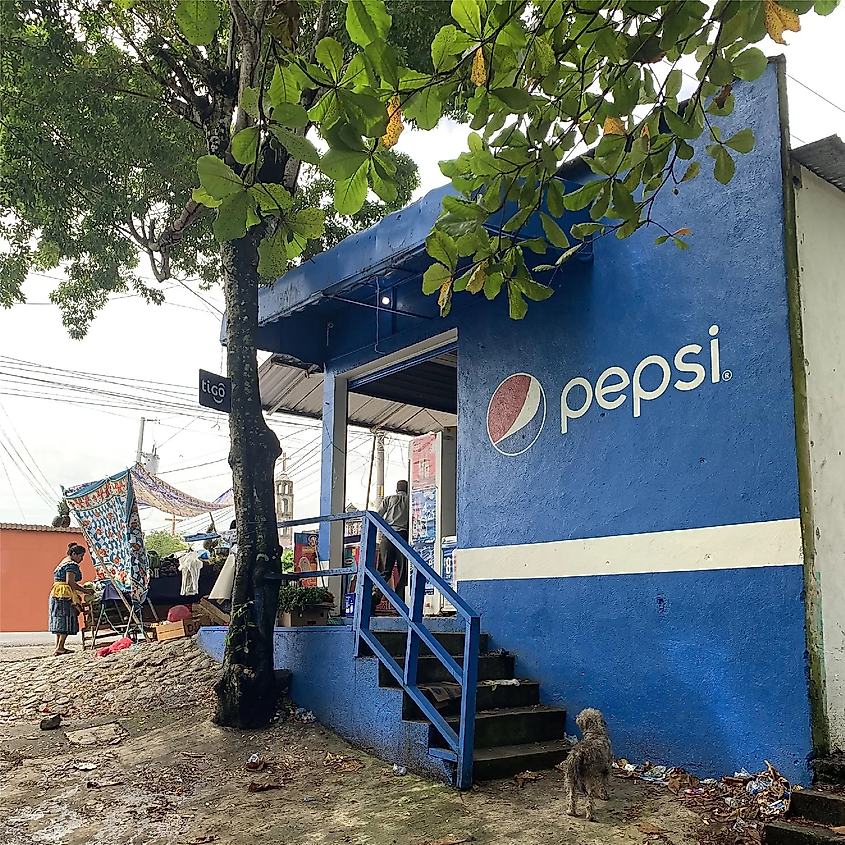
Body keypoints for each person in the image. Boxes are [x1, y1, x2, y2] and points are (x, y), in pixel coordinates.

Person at [374, 480, 409, 611]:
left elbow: (377, 516)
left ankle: (374, 597)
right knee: (403, 571)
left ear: (396, 489)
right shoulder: (410, 500)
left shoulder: (388, 499)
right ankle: (401, 603)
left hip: (387, 536)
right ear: (408, 489)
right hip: (402, 536)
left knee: (384, 571)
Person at [49, 543, 88, 656]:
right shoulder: (71, 565)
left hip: (57, 593)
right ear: (74, 553)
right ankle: (60, 647)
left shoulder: (63, 562)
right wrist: (85, 591)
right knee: (65, 618)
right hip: (64, 594)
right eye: (81, 556)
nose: (81, 559)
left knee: (59, 619)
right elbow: (70, 582)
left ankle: (59, 647)